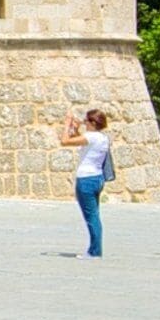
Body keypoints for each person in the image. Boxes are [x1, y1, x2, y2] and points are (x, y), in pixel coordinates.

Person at [57, 109, 114, 256]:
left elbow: (64, 141)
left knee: (91, 217)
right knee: (94, 215)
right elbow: (83, 143)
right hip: (97, 178)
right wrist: (75, 130)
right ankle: (95, 249)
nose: (85, 122)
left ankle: (95, 251)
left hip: (86, 179)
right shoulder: (102, 138)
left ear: (93, 123)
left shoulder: (91, 137)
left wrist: (67, 124)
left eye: (86, 121)